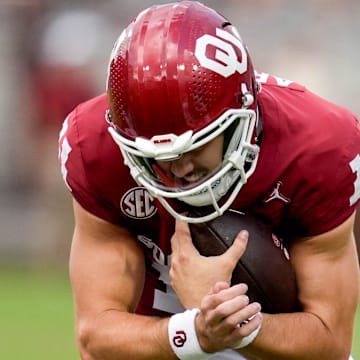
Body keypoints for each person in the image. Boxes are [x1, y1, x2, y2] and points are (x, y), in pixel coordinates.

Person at [58, 1, 360, 359]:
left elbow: (331, 343)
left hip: (274, 346)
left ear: (240, 119)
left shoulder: (318, 148)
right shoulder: (95, 145)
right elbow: (95, 337)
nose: (178, 169)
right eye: (157, 157)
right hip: (157, 343)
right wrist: (197, 330)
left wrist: (233, 322)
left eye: (195, 146)